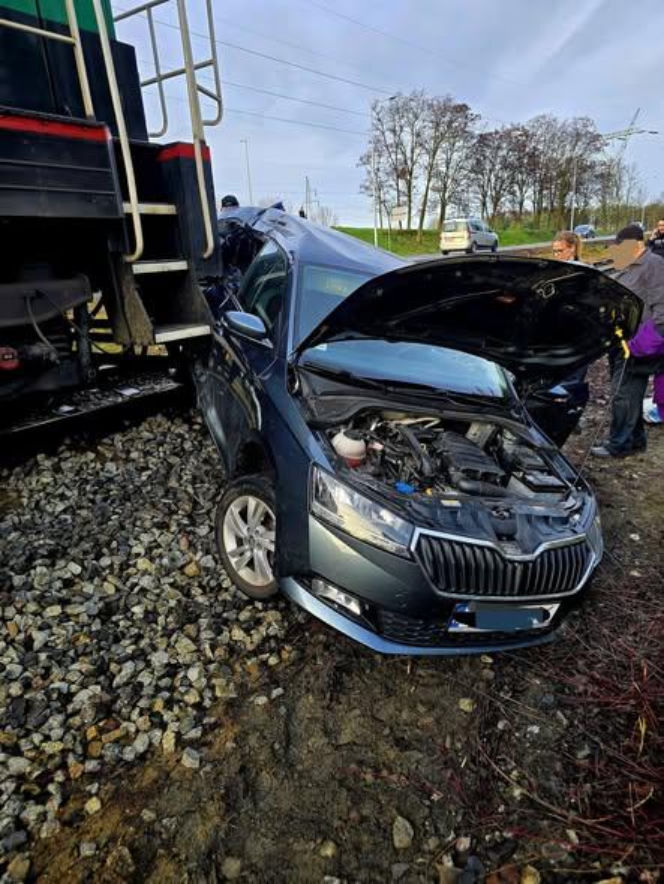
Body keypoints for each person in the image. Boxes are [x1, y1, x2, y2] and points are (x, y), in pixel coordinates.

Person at [591, 224, 664, 457]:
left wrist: (644, 341)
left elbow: (662, 308)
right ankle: (635, 440)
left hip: (638, 342)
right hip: (621, 340)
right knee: (630, 393)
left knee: (622, 393)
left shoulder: (654, 265)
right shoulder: (629, 265)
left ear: (637, 244)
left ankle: (618, 444)